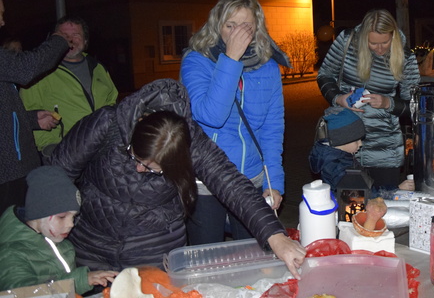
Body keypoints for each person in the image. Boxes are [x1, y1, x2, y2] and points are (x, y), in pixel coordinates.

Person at [48, 78, 306, 278]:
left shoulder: (191, 143)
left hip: (151, 252)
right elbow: (56, 173)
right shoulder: (107, 124)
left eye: (154, 169)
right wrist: (51, 217)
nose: (140, 169)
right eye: (136, 157)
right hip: (91, 248)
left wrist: (276, 236)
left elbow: (233, 185)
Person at [181, 0, 289, 245]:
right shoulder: (196, 60)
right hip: (205, 181)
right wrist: (230, 59)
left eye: (246, 26)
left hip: (250, 179)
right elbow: (212, 116)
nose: (238, 33)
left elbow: (272, 128)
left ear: (256, 27)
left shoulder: (267, 66)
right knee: (207, 257)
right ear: (217, 25)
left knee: (251, 254)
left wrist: (274, 181)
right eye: (230, 25)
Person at [317, 9, 421, 187]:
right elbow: (325, 74)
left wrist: (388, 103)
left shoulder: (405, 56)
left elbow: (415, 104)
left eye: (385, 42)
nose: (380, 49)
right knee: (348, 200)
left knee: (385, 199)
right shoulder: (347, 41)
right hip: (344, 141)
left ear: (393, 35)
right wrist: (338, 98)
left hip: (384, 146)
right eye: (373, 43)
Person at [0, 0, 70, 213]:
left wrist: (31, 119)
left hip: (14, 169)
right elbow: (26, 69)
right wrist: (58, 40)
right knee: (13, 229)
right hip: (7, 172)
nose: (2, 21)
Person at [0, 166, 117, 294]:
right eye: (61, 217)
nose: (71, 224)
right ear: (38, 214)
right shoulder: (10, 253)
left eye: (73, 217)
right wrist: (79, 281)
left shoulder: (64, 247)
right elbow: (21, 295)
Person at [21, 15, 118, 158]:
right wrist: (49, 147)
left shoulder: (98, 67)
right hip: (65, 152)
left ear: (85, 41)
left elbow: (112, 102)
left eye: (76, 35)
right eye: (64, 35)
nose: (70, 40)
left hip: (102, 148)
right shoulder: (40, 71)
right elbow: (29, 111)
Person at [309, 109, 366, 190]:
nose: (360, 144)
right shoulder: (337, 167)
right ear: (341, 141)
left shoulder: (341, 157)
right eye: (356, 141)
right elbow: (354, 192)